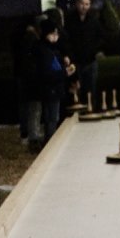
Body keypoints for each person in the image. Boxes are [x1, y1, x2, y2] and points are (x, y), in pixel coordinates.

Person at [31, 18, 75, 147]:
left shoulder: (52, 49)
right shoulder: (44, 51)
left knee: (53, 117)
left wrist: (64, 65)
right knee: (51, 118)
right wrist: (64, 73)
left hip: (54, 88)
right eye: (53, 34)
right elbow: (47, 72)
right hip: (50, 89)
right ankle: (50, 143)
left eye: (56, 34)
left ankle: (50, 141)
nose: (56, 37)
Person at [64, 0, 105, 111]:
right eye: (82, 3)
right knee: (75, 90)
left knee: (91, 90)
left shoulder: (94, 20)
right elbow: (67, 40)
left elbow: (101, 37)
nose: (84, 6)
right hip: (75, 61)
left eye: (87, 4)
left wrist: (95, 50)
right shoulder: (70, 21)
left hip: (90, 61)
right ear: (77, 4)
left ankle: (91, 111)